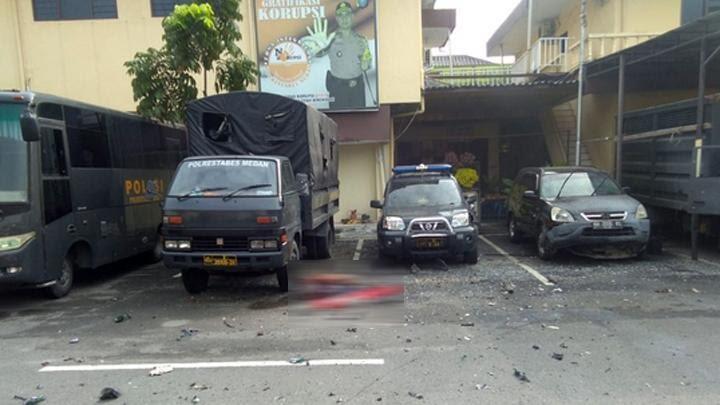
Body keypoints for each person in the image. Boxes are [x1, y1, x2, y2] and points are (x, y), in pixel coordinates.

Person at [302, 2, 372, 109]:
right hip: (338, 90)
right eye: (340, 15)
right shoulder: (330, 40)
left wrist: (366, 63)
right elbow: (315, 57)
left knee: (359, 122)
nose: (344, 18)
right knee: (337, 123)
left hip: (357, 90)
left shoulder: (361, 40)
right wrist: (317, 48)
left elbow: (366, 64)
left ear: (352, 16)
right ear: (337, 18)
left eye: (347, 14)